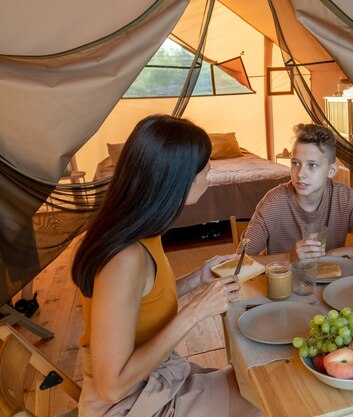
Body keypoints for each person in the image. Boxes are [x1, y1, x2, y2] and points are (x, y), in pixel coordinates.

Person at [72, 115, 261, 417]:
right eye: (204, 167)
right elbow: (112, 387)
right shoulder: (124, 259)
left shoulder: (143, 232)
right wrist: (196, 310)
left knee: (260, 381)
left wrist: (194, 279)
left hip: (155, 380)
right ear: (178, 178)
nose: (209, 172)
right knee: (267, 399)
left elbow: (138, 307)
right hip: (129, 404)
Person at [244, 123, 353, 261]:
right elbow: (240, 261)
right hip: (285, 281)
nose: (300, 174)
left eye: (312, 165)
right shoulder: (272, 204)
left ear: (332, 170)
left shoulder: (345, 198)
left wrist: (333, 254)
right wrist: (289, 257)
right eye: (295, 163)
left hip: (333, 281)